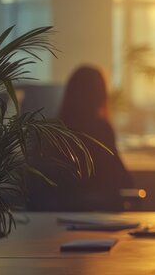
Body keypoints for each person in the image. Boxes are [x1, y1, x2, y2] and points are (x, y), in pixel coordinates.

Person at [27, 65, 133, 211]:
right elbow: (122, 179)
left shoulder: (50, 130)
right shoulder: (101, 129)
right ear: (100, 97)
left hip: (53, 214)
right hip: (96, 214)